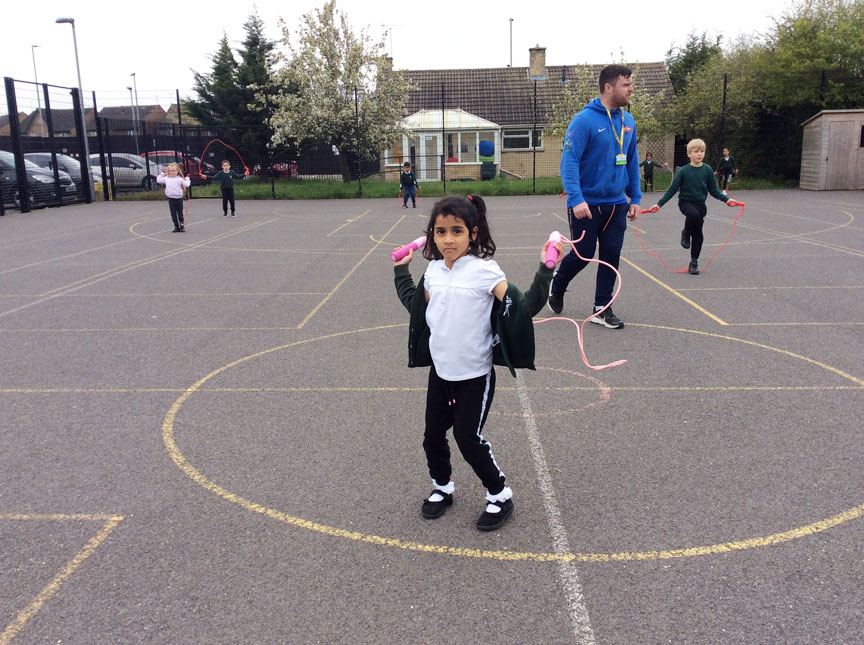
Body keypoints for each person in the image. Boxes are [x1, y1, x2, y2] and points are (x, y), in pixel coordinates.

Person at [393, 195, 563, 531]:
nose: (448, 239)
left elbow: (523, 305)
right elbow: (415, 305)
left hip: (474, 374)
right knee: (432, 436)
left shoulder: (484, 272)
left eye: (456, 231)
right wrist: (401, 270)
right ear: (432, 235)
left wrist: (547, 269)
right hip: (441, 373)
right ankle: (442, 487)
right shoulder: (434, 271)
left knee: (468, 437)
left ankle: (499, 494)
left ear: (472, 233)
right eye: (440, 232)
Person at [549, 64, 642, 329]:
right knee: (583, 254)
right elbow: (569, 162)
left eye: (631, 84)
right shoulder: (584, 121)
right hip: (587, 204)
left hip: (616, 204)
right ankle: (557, 284)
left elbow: (631, 161)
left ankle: (602, 307)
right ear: (608, 87)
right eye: (626, 85)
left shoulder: (628, 121)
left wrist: (634, 197)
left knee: (611, 255)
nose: (631, 89)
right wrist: (576, 199)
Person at [647, 138, 740, 275]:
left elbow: (713, 190)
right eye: (696, 151)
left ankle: (694, 262)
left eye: (702, 151)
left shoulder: (707, 170)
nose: (699, 154)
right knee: (693, 215)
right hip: (685, 203)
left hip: (700, 204)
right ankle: (685, 232)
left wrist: (727, 200)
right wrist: (659, 204)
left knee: (698, 234)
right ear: (689, 154)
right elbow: (672, 190)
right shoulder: (684, 171)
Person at [156, 162, 190, 232]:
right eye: (170, 171)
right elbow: (158, 180)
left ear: (177, 171)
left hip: (179, 199)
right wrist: (162, 174)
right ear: (168, 171)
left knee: (180, 213)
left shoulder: (180, 179)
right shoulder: (166, 178)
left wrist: (187, 178)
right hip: (171, 199)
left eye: (174, 170)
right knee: (173, 214)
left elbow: (187, 184)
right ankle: (176, 226)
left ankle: (182, 225)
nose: (172, 172)